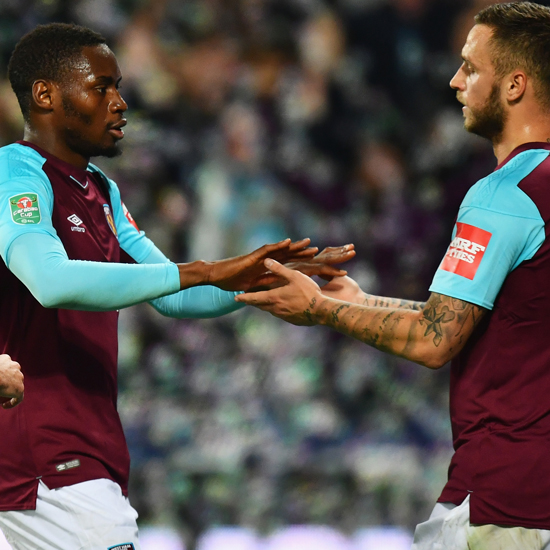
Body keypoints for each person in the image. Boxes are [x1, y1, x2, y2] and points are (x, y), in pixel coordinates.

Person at [0, 22, 355, 550]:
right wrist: (210, 269)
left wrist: (262, 279)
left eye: (119, 85)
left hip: (73, 458)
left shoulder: (101, 191)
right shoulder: (14, 174)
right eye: (101, 87)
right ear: (45, 95)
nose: (120, 103)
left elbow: (173, 294)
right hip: (45, 466)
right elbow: (49, 280)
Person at [236, 2, 550, 548]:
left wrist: (323, 308)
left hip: (507, 499)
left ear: (516, 85)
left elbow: (437, 338)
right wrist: (361, 300)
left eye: (471, 68)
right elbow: (477, 319)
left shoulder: (505, 196)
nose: (455, 81)